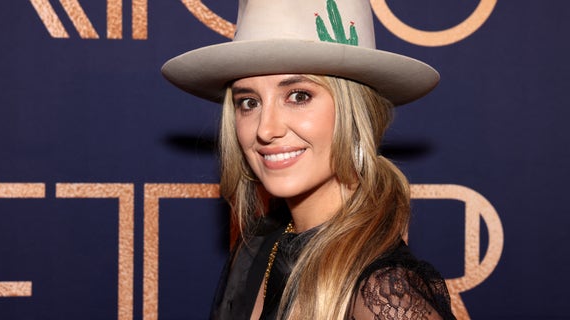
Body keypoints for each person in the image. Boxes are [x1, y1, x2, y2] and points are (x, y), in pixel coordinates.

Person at [162, 0, 455, 319]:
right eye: (249, 102)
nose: (265, 129)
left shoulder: (382, 296)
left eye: (298, 96)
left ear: (355, 112)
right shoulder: (259, 246)